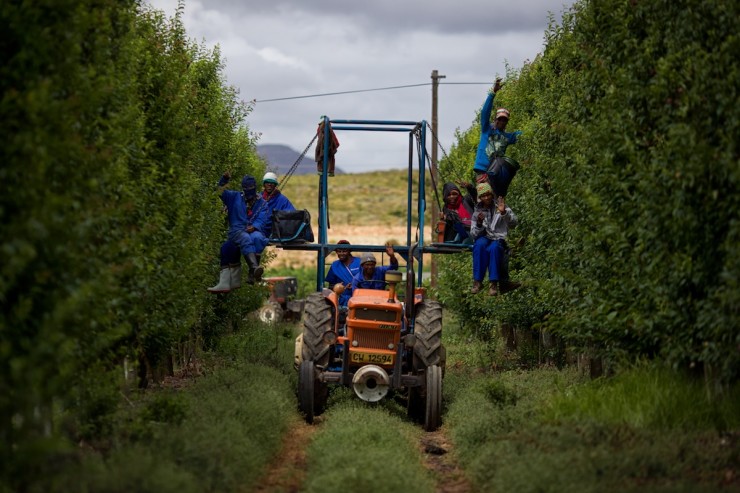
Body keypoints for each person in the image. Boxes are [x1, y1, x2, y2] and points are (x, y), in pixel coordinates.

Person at [207, 172, 272, 292]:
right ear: (243, 188)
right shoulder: (234, 197)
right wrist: (224, 179)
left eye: (251, 188)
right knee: (244, 239)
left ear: (255, 187)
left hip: (253, 230)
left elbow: (262, 218)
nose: (248, 190)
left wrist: (255, 226)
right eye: (246, 188)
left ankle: (252, 275)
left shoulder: (262, 203)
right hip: (237, 230)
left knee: (257, 238)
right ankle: (254, 267)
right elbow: (219, 191)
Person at [472, 78, 522, 198]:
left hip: (496, 172)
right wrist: (492, 93)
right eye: (500, 118)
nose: (502, 121)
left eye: (504, 119)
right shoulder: (487, 129)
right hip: (483, 170)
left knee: (495, 200)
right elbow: (485, 113)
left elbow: (524, 134)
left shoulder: (508, 137)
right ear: (495, 119)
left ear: (507, 122)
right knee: (484, 199)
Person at [470, 182, 518, 296]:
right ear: (480, 197)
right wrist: (479, 224)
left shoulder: (501, 206)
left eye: (488, 194)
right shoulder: (477, 212)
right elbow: (473, 234)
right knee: (479, 246)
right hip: (484, 237)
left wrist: (504, 213)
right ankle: (477, 282)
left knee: (495, 248)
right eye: (483, 196)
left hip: (498, 237)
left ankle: (493, 284)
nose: (486, 197)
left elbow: (514, 223)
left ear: (491, 194)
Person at [325, 239, 361, 306]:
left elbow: (366, 279)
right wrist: (339, 287)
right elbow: (330, 286)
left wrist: (355, 285)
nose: (341, 253)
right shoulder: (335, 265)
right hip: (342, 300)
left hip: (359, 297)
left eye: (344, 251)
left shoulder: (359, 262)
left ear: (349, 251)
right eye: (339, 251)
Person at [260, 171, 296, 238]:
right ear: (264, 184)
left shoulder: (282, 200)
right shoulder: (259, 198)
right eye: (267, 182)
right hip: (260, 230)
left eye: (272, 183)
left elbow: (292, 214)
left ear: (275, 185)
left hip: (275, 232)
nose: (269, 185)